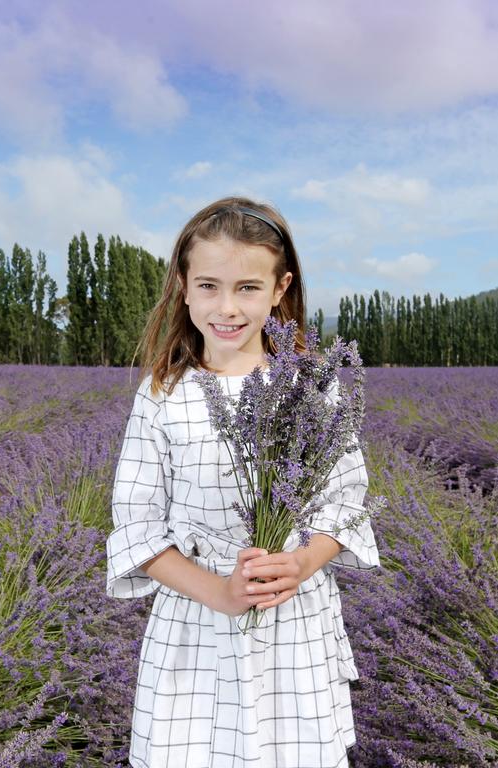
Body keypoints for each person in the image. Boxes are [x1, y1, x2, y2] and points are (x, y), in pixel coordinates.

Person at [105, 196, 381, 767]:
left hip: (292, 615)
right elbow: (137, 527)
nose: (226, 307)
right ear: (183, 287)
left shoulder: (312, 390)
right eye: (208, 285)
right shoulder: (162, 396)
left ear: (280, 290)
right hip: (196, 621)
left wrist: (303, 561)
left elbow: (347, 500)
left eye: (248, 288)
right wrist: (221, 593)